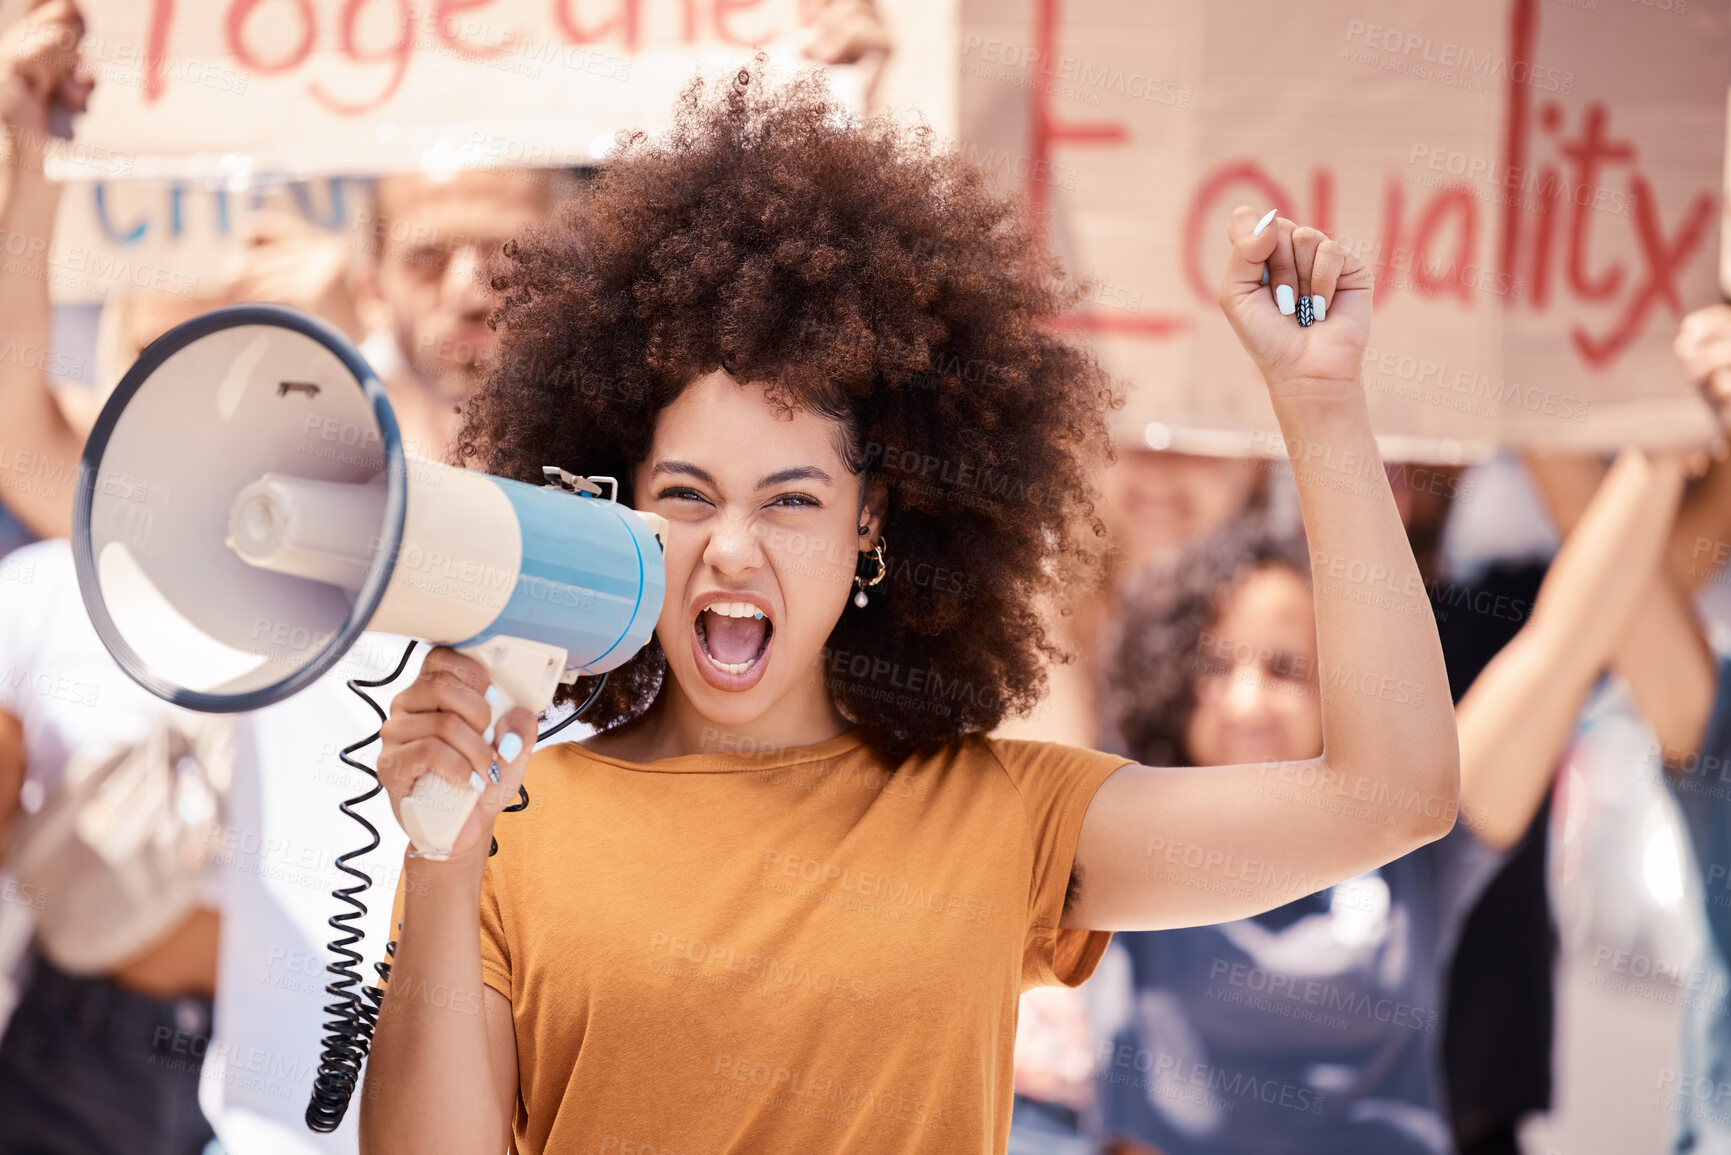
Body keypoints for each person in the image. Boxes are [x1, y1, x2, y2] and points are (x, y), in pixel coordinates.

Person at [358, 64, 1461, 1154]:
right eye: (685, 496)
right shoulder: (504, 823)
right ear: (613, 502)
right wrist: (443, 863)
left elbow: (1389, 796)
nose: (733, 549)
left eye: (792, 501)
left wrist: (1320, 407)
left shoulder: (1004, 820)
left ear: (873, 526)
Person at [1091, 440, 1685, 1155]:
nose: (1247, 699)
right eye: (1213, 664)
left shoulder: (1411, 835)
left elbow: (1563, 641)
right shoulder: (1119, 825)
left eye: (1286, 668)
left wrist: (1662, 449)